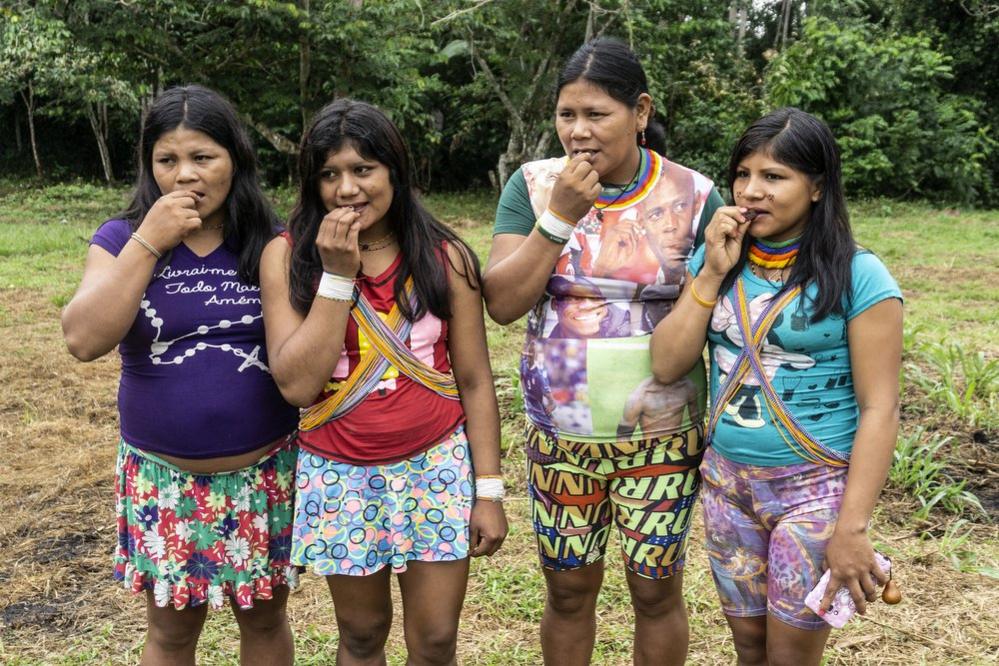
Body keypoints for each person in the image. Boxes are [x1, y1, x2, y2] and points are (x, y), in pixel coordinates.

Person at [482, 38, 725, 666]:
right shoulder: (533, 186)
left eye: (598, 115)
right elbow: (503, 302)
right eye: (567, 115)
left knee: (655, 590)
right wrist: (559, 217)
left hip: (661, 435)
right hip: (559, 437)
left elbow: (721, 306)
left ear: (640, 112)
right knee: (566, 591)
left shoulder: (695, 197)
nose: (579, 132)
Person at [650, 107, 903, 665]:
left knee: (790, 656)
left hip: (813, 494)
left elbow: (880, 407)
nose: (751, 191)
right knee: (750, 649)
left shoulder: (861, 276)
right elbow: (667, 363)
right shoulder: (720, 261)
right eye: (743, 175)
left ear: (816, 187)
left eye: (774, 177)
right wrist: (713, 272)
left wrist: (852, 529)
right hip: (727, 485)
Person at [259, 98, 507, 665]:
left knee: (437, 637)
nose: (347, 188)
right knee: (363, 634)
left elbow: (473, 379)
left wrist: (488, 490)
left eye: (363, 170)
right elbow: (297, 386)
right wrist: (337, 275)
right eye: (330, 174)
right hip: (340, 473)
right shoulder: (286, 255)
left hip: (436, 468)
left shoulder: (444, 257)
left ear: (394, 170)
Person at [61, 85, 300, 666]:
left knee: (266, 620)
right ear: (149, 165)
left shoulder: (270, 240)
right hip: (163, 479)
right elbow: (83, 339)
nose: (185, 175)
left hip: (264, 472)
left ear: (235, 160)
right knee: (171, 633)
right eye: (167, 160)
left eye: (203, 158)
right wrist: (150, 240)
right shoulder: (121, 238)